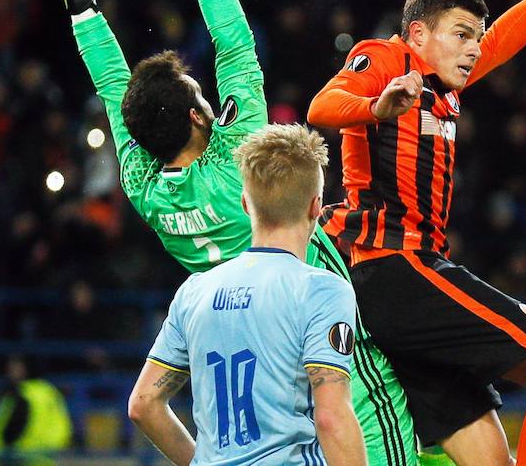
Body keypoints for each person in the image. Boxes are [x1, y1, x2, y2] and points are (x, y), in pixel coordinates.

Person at [28, 0, 432, 466]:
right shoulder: (240, 162)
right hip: (312, 314)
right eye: (201, 96)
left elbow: (115, 86)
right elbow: (236, 46)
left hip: (231, 333)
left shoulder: (144, 188)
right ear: (198, 116)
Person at [309, 0, 526, 465]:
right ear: (419, 33)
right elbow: (322, 107)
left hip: (409, 279)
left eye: (477, 34)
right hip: (391, 268)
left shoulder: (446, 84)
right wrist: (377, 107)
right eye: (462, 33)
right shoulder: (385, 58)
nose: (475, 47)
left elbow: (507, 38)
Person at [127, 123, 367, 465]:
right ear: (316, 206)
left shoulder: (195, 291)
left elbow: (143, 404)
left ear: (244, 203)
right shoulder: (322, 291)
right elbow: (331, 417)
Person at [0, 356, 72, 466]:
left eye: (14, 366)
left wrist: (6, 453)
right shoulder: (50, 391)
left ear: (25, 368)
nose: (9, 370)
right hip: (47, 459)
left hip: (16, 459)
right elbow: (64, 426)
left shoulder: (23, 393)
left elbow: (12, 428)